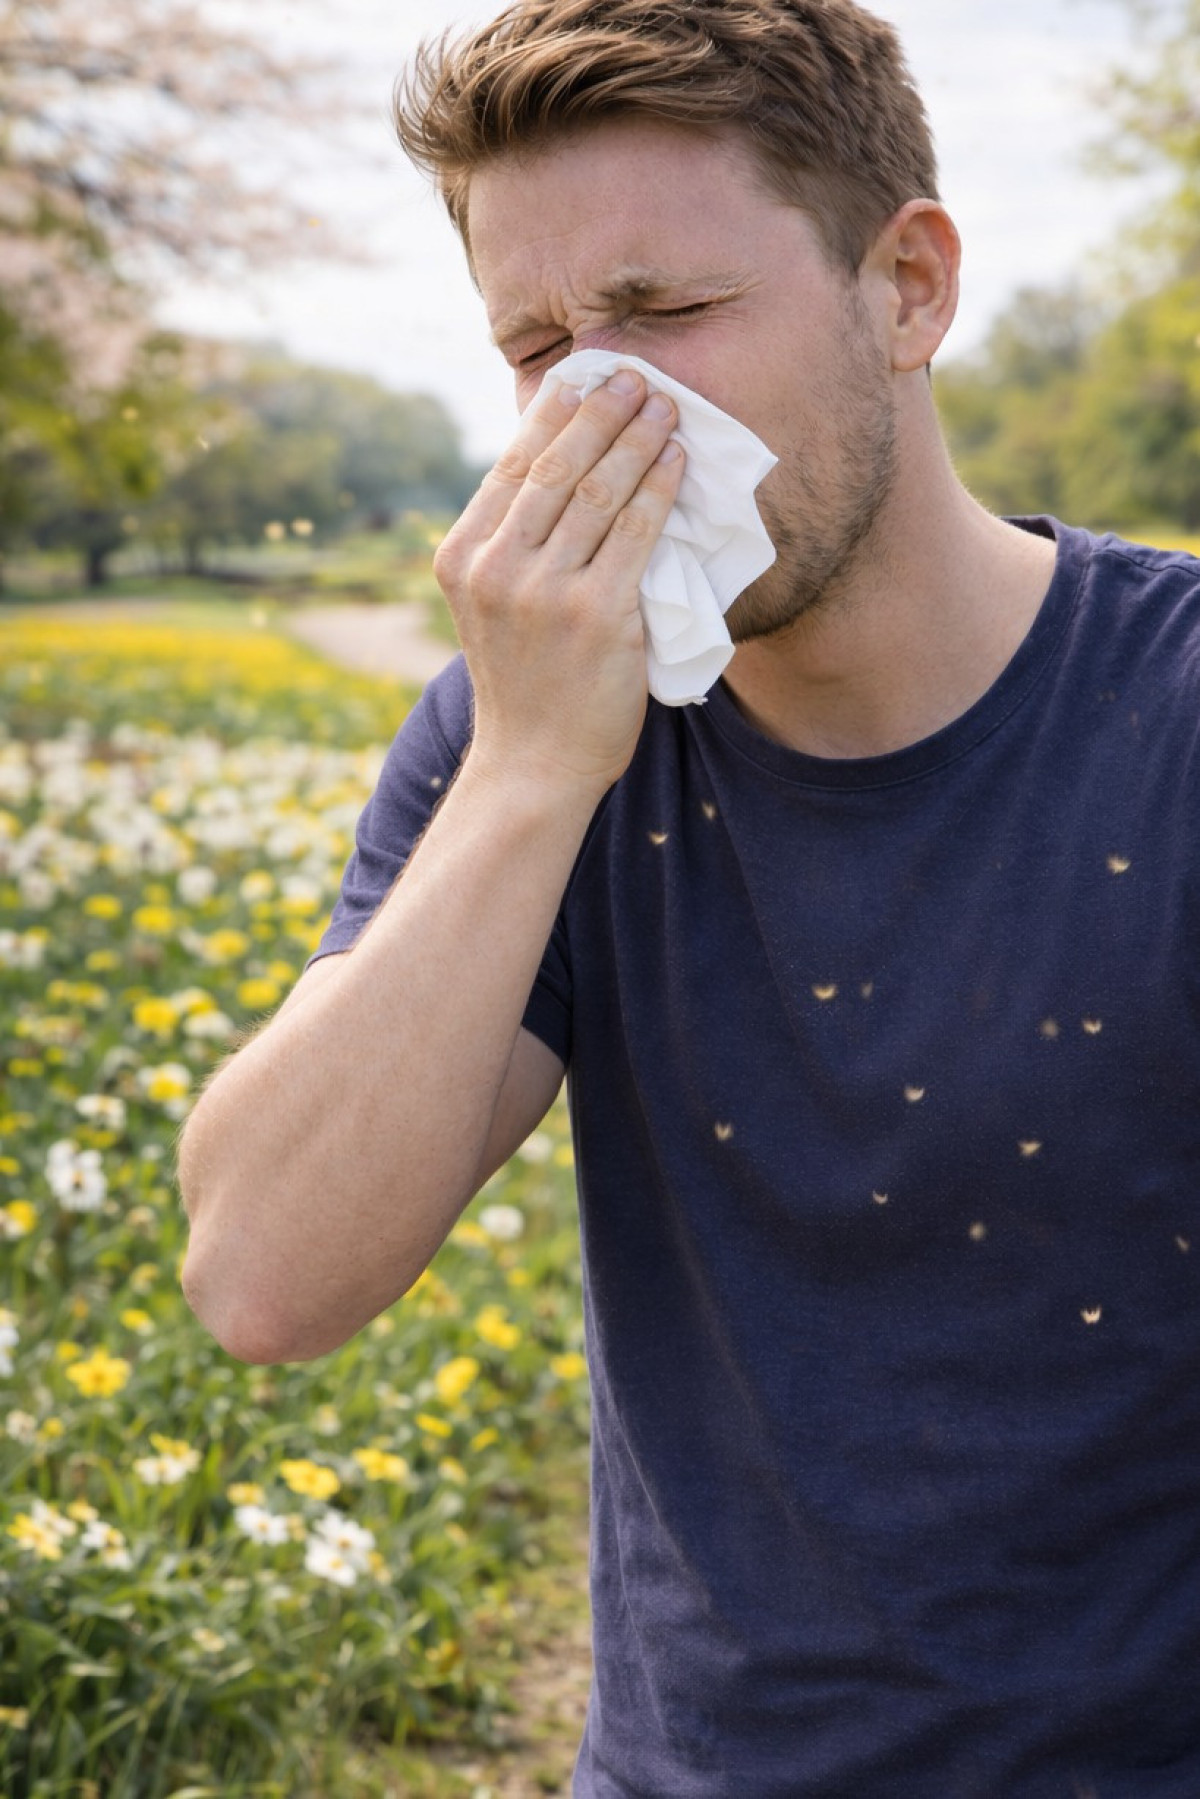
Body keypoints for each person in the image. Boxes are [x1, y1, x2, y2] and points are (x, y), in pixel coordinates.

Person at [177, 0, 1200, 1791]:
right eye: (539, 346)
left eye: (662, 314)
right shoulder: (527, 740)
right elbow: (266, 1280)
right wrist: (526, 772)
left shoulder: (1173, 709)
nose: (599, 404)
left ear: (908, 288)